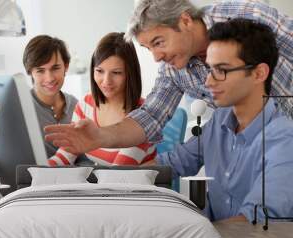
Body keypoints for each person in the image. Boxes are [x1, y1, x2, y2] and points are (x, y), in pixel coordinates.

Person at [44, 0, 293, 156]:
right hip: (265, 151)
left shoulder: (246, 16)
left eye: (158, 42)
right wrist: (100, 136)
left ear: (185, 20)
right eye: (148, 48)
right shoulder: (174, 69)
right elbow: (150, 117)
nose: (156, 57)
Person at [159, 19, 293, 222]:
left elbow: (255, 221)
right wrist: (108, 176)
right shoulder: (219, 121)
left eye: (221, 70)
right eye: (210, 69)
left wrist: (187, 237)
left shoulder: (284, 140)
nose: (208, 81)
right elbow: (176, 163)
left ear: (259, 73)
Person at [0, 35, 77, 174]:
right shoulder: (16, 106)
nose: (49, 78)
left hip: (68, 186)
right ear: (30, 71)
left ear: (65, 67)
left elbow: (86, 157)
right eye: (40, 71)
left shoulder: (76, 106)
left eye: (55, 68)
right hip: (27, 186)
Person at [48, 32, 156, 166]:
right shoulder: (85, 105)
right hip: (104, 182)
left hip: (133, 184)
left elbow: (118, 173)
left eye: (116, 73)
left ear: (130, 74)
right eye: (99, 71)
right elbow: (66, 154)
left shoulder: (142, 117)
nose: (106, 81)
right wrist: (39, 172)